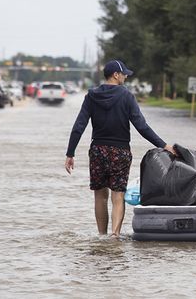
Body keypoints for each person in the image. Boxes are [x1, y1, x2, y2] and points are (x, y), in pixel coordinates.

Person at [64, 59, 175, 237]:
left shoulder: (91, 96)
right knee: (118, 196)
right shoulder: (126, 96)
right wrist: (163, 145)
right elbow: (142, 126)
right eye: (124, 74)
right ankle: (114, 236)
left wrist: (70, 153)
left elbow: (79, 125)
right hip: (120, 151)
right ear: (116, 75)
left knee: (100, 196)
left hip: (98, 150)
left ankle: (101, 236)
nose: (125, 77)